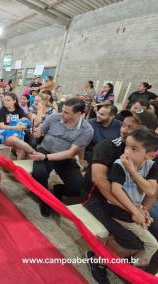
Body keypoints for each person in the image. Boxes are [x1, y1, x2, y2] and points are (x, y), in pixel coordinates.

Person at [83, 110, 158, 282]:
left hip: (132, 202)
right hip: (99, 200)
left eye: (131, 127)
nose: (124, 129)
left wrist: (143, 209)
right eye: (124, 124)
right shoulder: (109, 147)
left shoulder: (151, 158)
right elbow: (102, 184)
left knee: (154, 232)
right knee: (133, 241)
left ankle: (135, 270)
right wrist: (135, 211)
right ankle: (98, 258)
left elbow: (153, 190)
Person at [30, 98, 94, 217]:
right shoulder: (54, 117)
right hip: (45, 149)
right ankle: (45, 200)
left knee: (78, 188)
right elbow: (40, 131)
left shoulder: (87, 130)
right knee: (38, 174)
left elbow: (70, 153)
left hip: (65, 157)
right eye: (63, 110)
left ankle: (57, 189)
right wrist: (36, 132)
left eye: (66, 112)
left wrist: (45, 157)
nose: (62, 114)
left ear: (79, 114)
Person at [108, 129, 158, 267]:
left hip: (134, 209)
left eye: (134, 149)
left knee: (150, 227)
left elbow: (151, 190)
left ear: (150, 155)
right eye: (127, 146)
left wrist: (132, 171)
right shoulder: (119, 164)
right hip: (119, 210)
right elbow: (115, 190)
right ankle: (129, 269)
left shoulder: (151, 166)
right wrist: (136, 212)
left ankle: (126, 264)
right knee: (152, 245)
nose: (127, 152)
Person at [0, 93, 34, 160]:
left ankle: (18, 163)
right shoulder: (1, 111)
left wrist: (22, 124)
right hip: (6, 134)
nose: (5, 102)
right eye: (4, 100)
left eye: (8, 100)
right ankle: (33, 152)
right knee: (15, 141)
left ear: (14, 101)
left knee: (20, 150)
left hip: (18, 132)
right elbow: (1, 126)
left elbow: (25, 121)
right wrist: (15, 127)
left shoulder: (19, 109)